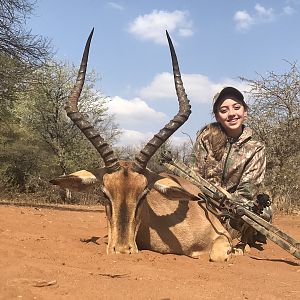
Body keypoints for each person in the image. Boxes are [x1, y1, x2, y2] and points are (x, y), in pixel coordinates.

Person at [191, 86, 272, 249]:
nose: (231, 114)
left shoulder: (255, 148)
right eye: (224, 110)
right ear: (217, 116)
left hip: (233, 206)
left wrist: (226, 203)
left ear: (245, 111)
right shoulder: (206, 137)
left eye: (236, 107)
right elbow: (194, 174)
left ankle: (243, 236)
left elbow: (246, 192)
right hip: (203, 201)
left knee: (263, 212)